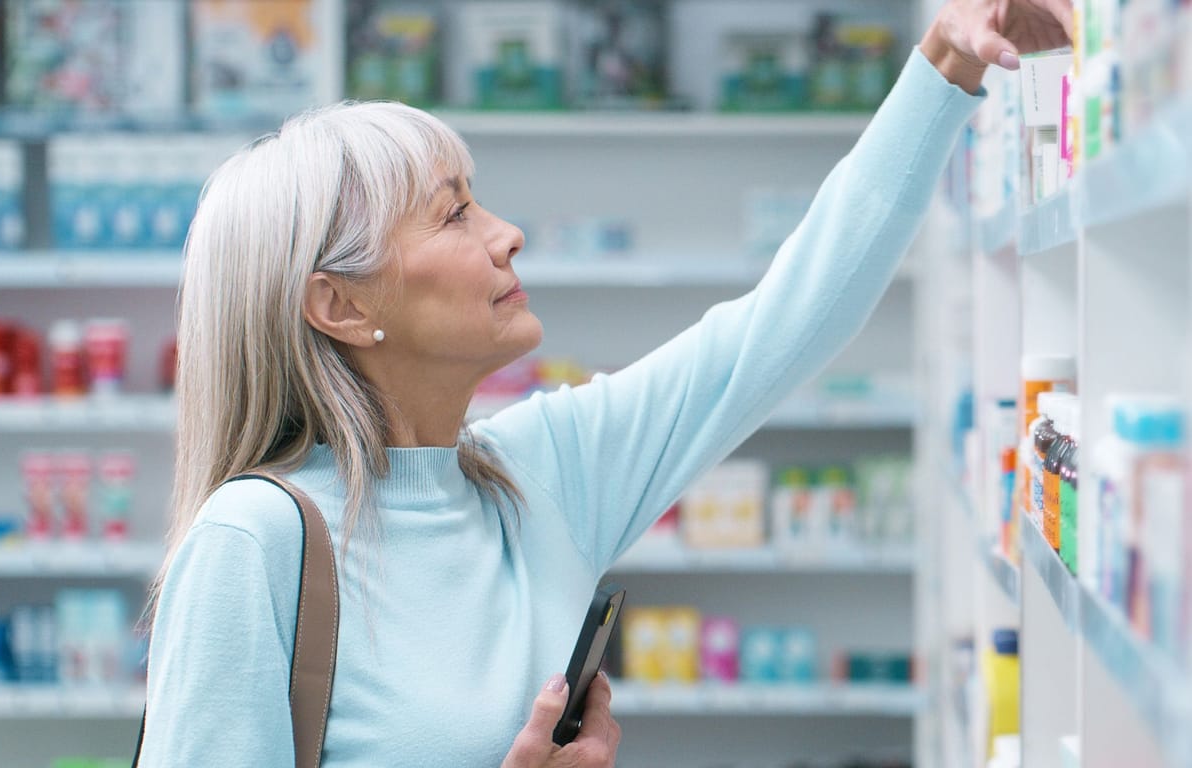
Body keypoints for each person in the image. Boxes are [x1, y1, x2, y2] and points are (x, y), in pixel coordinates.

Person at [140, 1, 1072, 766]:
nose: (505, 232)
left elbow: (788, 320)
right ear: (337, 305)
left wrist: (948, 60)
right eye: (453, 214)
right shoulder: (252, 545)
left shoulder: (537, 477)